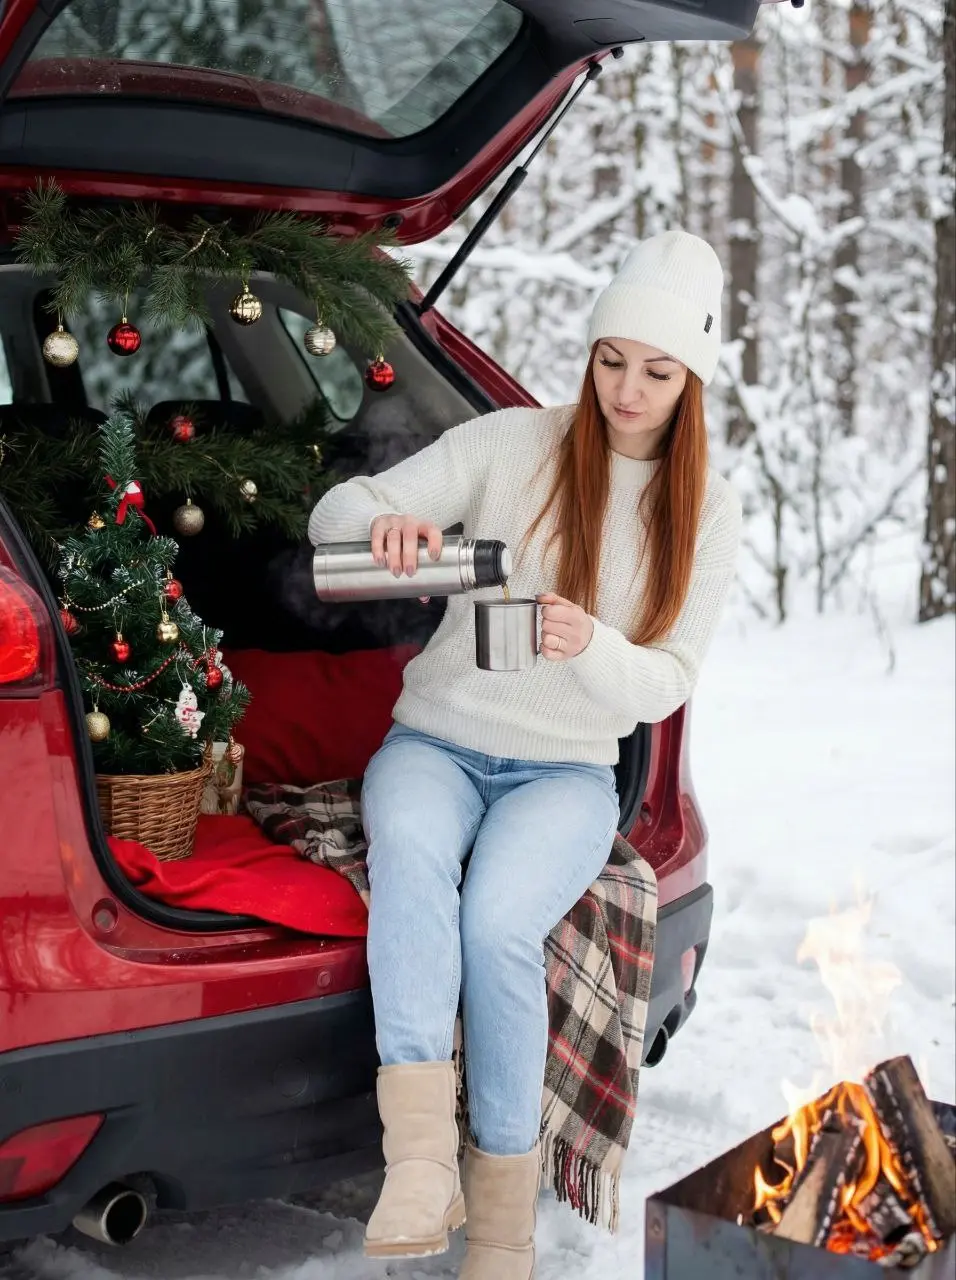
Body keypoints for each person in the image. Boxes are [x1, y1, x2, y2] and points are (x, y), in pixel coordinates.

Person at [308, 229, 741, 1278]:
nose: (625, 388)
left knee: (499, 921)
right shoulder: (511, 444)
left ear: (690, 379)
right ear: (588, 351)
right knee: (408, 853)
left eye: (655, 369)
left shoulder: (703, 510)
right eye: (609, 359)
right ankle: (417, 1161)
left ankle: (501, 1227)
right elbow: (338, 512)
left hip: (564, 771)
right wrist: (386, 532)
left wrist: (589, 642)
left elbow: (667, 678)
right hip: (437, 741)